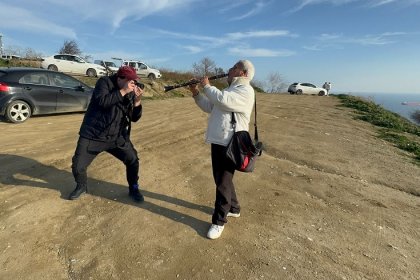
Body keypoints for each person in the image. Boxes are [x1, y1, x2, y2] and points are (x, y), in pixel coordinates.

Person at [188, 60, 255, 239]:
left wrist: (207, 86)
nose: (229, 70)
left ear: (243, 73)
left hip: (231, 143)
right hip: (220, 140)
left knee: (222, 182)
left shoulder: (245, 91)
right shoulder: (229, 90)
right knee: (223, 179)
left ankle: (219, 221)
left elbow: (222, 100)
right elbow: (210, 106)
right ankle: (234, 208)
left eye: (234, 67)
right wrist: (196, 92)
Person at [68, 66, 145, 202]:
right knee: (78, 166)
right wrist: (123, 91)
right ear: (120, 78)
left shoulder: (130, 91)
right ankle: (81, 186)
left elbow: (134, 118)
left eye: (134, 81)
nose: (133, 84)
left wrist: (137, 102)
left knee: (133, 161)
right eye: (130, 81)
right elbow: (103, 102)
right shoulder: (104, 83)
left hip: (117, 137)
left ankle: (134, 188)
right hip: (93, 134)